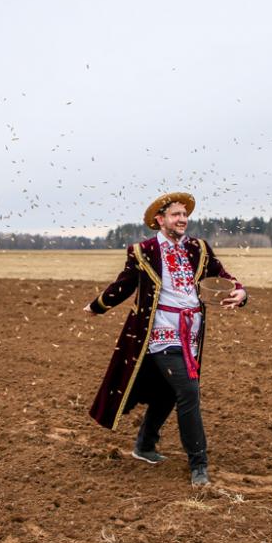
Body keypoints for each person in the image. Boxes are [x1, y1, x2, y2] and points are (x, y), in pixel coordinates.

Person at [84, 192, 247, 486]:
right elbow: (124, 285)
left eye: (185, 214)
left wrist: (240, 291)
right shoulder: (143, 251)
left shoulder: (200, 249)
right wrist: (97, 306)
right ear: (160, 220)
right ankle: (199, 464)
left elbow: (222, 275)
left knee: (169, 391)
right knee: (188, 391)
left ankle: (145, 445)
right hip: (160, 333)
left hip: (192, 335)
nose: (182, 219)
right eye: (176, 215)